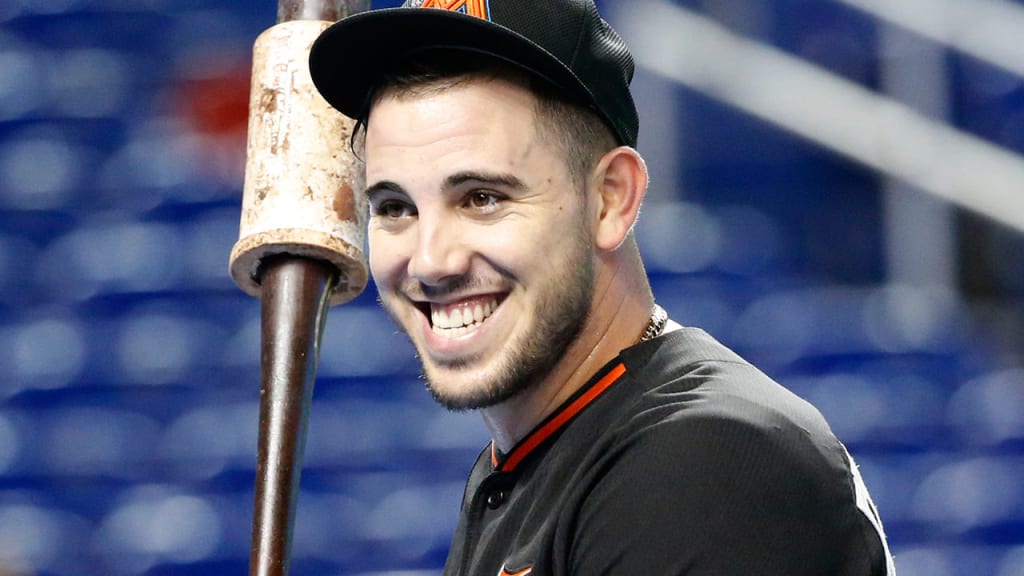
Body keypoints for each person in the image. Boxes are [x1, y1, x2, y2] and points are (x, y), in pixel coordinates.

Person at [309, 1, 896, 574]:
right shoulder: (538, 460)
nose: (431, 261)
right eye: (394, 207)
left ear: (611, 198)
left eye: (483, 198)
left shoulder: (702, 461)